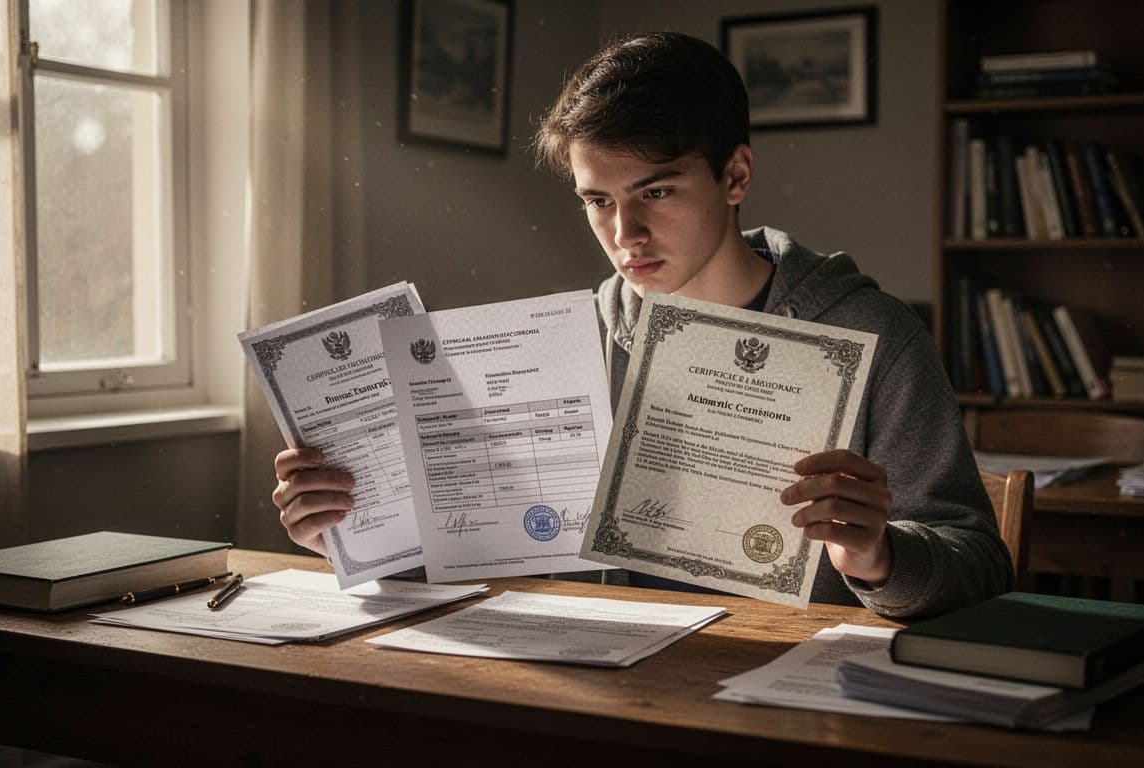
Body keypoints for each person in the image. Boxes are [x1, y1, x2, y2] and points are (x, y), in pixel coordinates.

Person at [273, 31, 1011, 618]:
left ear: (736, 176)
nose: (625, 232)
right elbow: (489, 552)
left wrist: (879, 557)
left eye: (654, 191)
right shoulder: (568, 343)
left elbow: (980, 566)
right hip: (611, 690)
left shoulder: (873, 335)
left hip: (790, 701)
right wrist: (348, 531)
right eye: (597, 201)